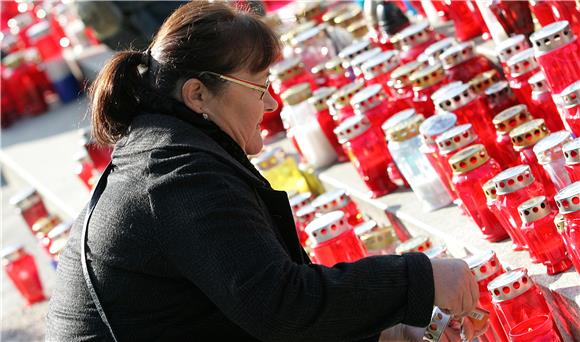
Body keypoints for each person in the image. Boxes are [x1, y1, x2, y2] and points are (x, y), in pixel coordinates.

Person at [46, 2, 482, 341]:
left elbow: (254, 304)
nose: (272, 104)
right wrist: (420, 278)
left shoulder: (172, 147)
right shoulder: (175, 176)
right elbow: (281, 307)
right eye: (260, 87)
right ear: (198, 94)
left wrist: (385, 329)